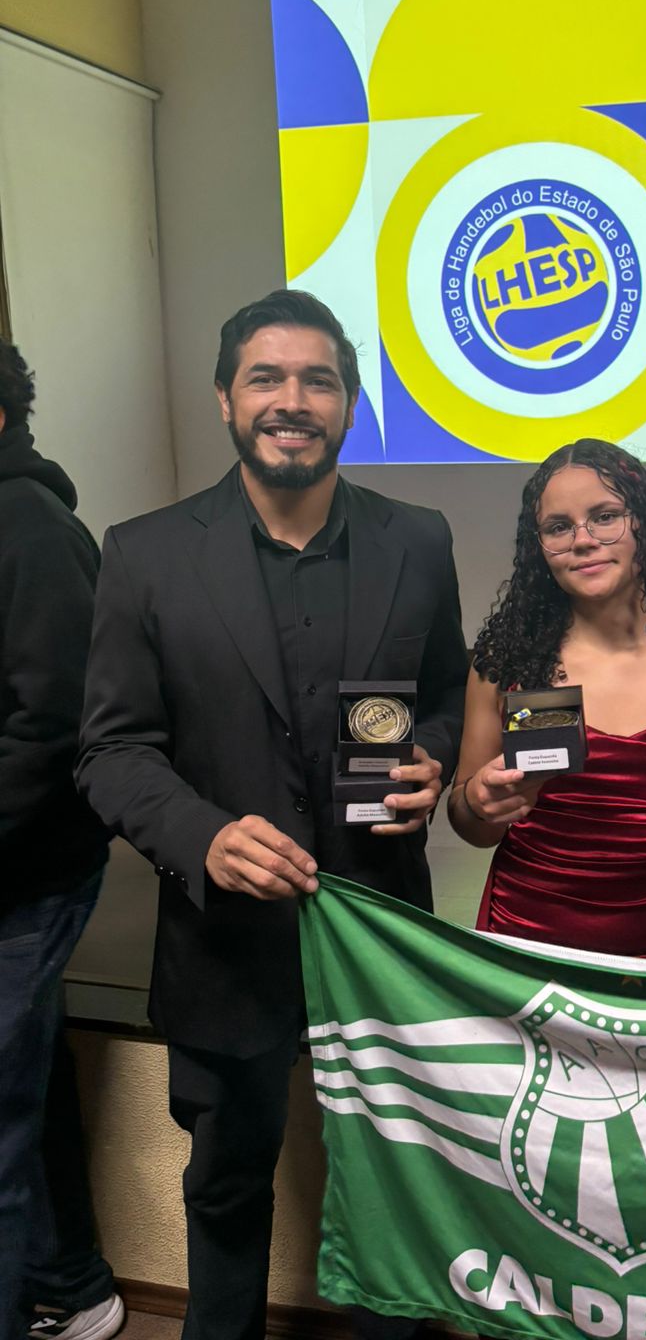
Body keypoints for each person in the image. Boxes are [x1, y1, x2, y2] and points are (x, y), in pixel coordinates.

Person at [75, 291, 468, 1340]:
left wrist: (435, 758)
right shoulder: (144, 552)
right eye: (267, 377)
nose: (292, 401)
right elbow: (110, 750)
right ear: (224, 398)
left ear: (349, 404)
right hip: (223, 945)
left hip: (381, 935)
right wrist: (201, 833)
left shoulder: (418, 541)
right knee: (228, 1189)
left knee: (391, 1187)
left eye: (318, 380)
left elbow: (444, 694)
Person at [448, 438, 646, 963]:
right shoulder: (504, 662)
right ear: (538, 548)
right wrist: (477, 802)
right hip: (524, 957)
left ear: (645, 524)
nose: (583, 540)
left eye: (605, 516)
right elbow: (470, 822)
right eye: (558, 527)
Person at [0, 341, 122, 1340]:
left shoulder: (31, 526)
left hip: (24, 878)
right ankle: (71, 1287)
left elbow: (51, 728)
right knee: (20, 1090)